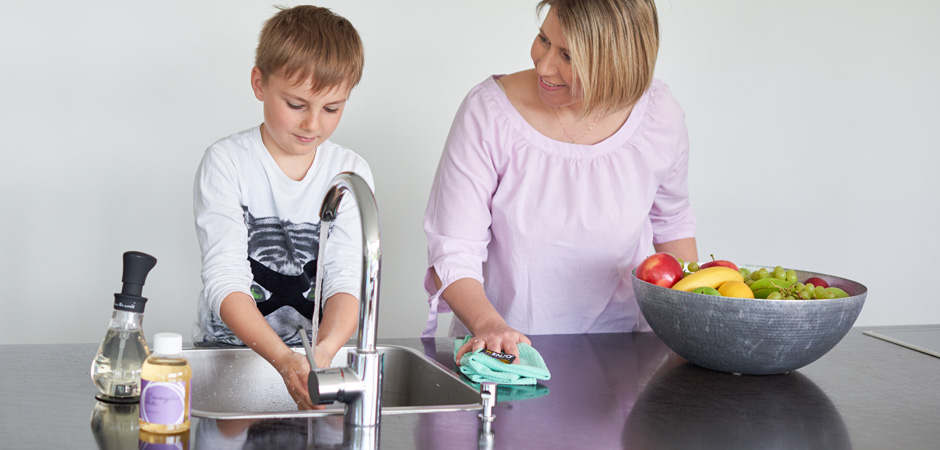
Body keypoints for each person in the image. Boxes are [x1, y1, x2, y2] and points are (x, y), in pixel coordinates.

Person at [422, 0, 698, 363]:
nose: (544, 63)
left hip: (627, 351)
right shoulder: (488, 113)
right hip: (508, 350)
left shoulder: (659, 114)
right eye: (543, 39)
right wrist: (490, 326)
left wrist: (693, 329)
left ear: (617, 63)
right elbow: (455, 248)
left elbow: (672, 222)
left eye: (568, 56)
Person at [192, 5, 372, 409]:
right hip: (227, 355)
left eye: (332, 108)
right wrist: (283, 359)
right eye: (296, 104)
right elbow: (226, 278)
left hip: (314, 359)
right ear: (259, 83)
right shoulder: (227, 162)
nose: (313, 124)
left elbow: (344, 278)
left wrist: (321, 354)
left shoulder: (350, 173)